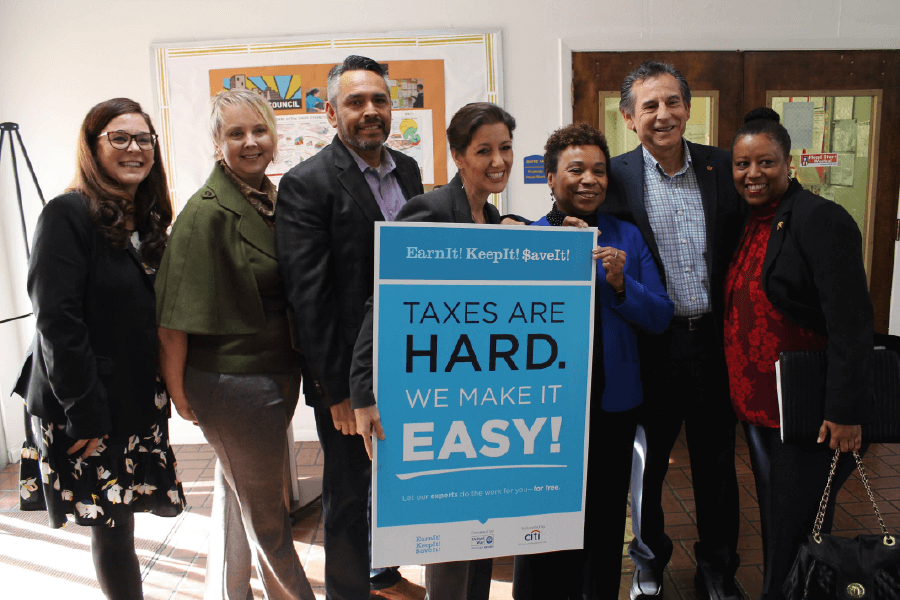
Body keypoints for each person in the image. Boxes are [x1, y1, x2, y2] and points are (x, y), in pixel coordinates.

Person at [14, 98, 184, 600]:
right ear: (92, 147)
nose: (135, 148)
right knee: (111, 528)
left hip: (132, 399)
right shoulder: (67, 214)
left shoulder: (146, 221)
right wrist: (84, 414)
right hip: (85, 401)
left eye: (144, 139)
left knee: (120, 523)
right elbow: (56, 321)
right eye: (120, 137)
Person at [350, 101, 517, 600]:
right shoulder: (430, 209)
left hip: (477, 396)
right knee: (448, 535)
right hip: (433, 396)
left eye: (505, 148)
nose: (498, 161)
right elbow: (383, 303)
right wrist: (363, 394)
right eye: (483, 150)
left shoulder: (491, 217)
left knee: (481, 527)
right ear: (459, 156)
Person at [276, 55, 426, 600]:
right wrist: (336, 392)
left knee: (390, 483)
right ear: (330, 112)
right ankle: (346, 590)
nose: (369, 112)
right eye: (355, 102)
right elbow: (308, 301)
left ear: (392, 107)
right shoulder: (306, 184)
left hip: (408, 361)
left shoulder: (407, 171)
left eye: (379, 101)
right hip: (346, 376)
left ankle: (381, 570)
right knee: (348, 492)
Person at [155, 89, 315, 600]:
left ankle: (228, 593)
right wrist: (180, 396)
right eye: (235, 133)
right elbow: (171, 321)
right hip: (233, 384)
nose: (250, 142)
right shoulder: (206, 213)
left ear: (274, 135)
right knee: (269, 516)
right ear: (217, 143)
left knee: (239, 492)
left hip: (272, 373)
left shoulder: (273, 198)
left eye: (259, 130)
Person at [599, 60, 746, 600]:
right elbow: (570, 219)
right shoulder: (614, 178)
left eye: (673, 103)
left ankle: (717, 569)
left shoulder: (723, 168)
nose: (664, 115)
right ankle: (649, 559)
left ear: (688, 107)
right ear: (629, 117)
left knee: (716, 467)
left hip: (712, 342)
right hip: (649, 346)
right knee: (649, 469)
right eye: (650, 106)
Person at [511, 123, 673, 599]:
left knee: (604, 519)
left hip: (613, 404)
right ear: (550, 178)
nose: (589, 180)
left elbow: (660, 316)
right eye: (576, 170)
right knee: (541, 520)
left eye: (599, 171)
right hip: (543, 409)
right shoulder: (526, 238)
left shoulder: (627, 237)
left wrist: (622, 282)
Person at [725, 108, 874, 600]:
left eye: (765, 163)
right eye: (742, 164)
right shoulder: (750, 220)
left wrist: (844, 412)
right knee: (778, 521)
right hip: (761, 409)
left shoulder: (820, 219)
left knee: (796, 531)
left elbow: (851, 324)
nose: (752, 174)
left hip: (809, 413)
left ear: (789, 163)